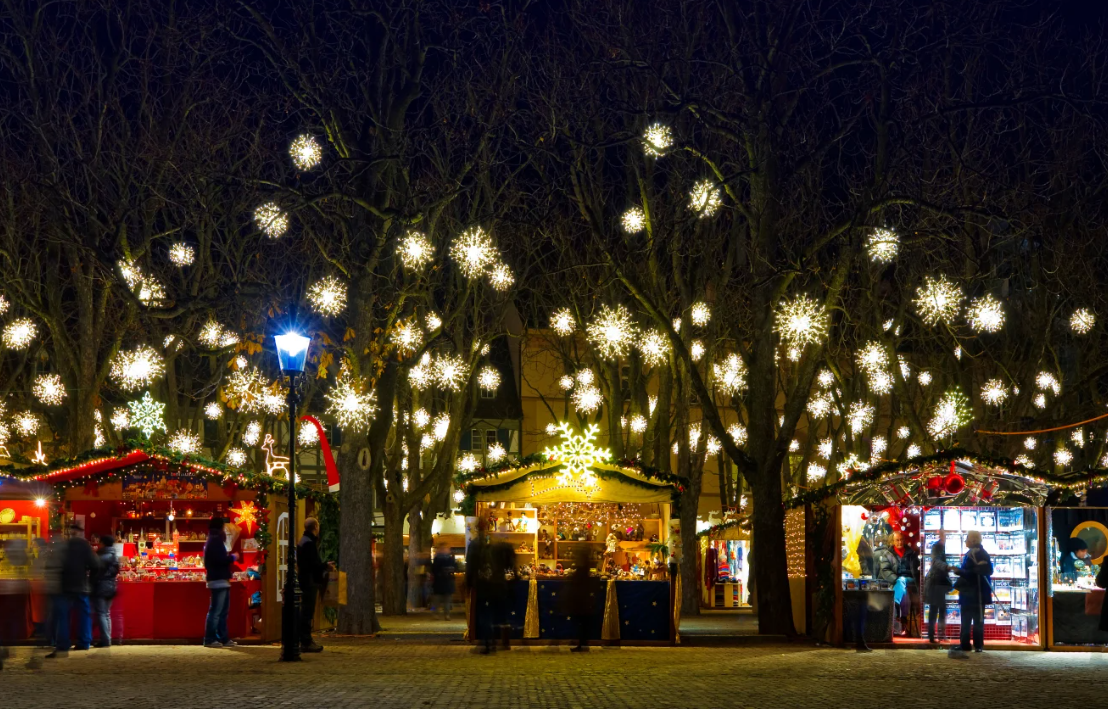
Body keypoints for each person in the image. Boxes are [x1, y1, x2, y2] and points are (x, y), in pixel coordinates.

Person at [47, 522, 99, 659]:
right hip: (81, 585)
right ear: (81, 532)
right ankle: (84, 642)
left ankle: (63, 645)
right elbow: (95, 564)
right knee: (84, 614)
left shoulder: (65, 545)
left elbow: (55, 564)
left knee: (63, 616)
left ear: (70, 532)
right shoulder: (84, 546)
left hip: (64, 585)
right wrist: (90, 577)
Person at [951, 530, 992, 657]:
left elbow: (977, 573)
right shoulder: (979, 553)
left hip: (973, 593)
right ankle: (974, 645)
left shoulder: (977, 554)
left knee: (970, 619)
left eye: (967, 538)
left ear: (973, 540)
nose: (965, 541)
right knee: (974, 619)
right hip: (976, 593)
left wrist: (960, 571)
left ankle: (970, 645)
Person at [297, 517, 333, 652]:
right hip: (309, 580)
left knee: (306, 610)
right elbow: (313, 564)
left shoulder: (303, 541)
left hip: (305, 579)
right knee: (307, 611)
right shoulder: (309, 543)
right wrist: (325, 566)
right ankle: (306, 641)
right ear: (316, 527)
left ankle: (304, 640)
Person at [203, 516, 239, 649]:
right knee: (217, 611)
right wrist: (233, 557)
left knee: (221, 611)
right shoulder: (216, 541)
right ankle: (210, 638)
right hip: (219, 580)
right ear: (220, 527)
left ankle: (222, 638)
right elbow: (220, 560)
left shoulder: (212, 540)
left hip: (219, 579)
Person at [564, 546, 600, 652]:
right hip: (584, 597)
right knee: (583, 621)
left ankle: (581, 643)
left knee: (581, 621)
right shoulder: (585, 566)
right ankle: (583, 642)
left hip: (581, 598)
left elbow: (578, 579)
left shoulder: (582, 567)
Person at [92, 535, 120, 648]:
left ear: (103, 543)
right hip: (111, 586)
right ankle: (107, 639)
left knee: (102, 614)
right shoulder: (114, 555)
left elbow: (95, 570)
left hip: (101, 586)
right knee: (106, 614)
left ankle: (105, 640)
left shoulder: (102, 556)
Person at [923, 541, 952, 644]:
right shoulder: (938, 547)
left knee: (937, 610)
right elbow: (936, 561)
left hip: (938, 584)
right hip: (936, 584)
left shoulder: (939, 548)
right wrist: (946, 567)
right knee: (936, 610)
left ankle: (937, 635)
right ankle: (935, 636)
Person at [431, 543, 457, 620]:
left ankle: (445, 614)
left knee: (445, 600)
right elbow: (434, 570)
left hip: (443, 582)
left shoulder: (440, 559)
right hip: (442, 582)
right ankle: (440, 614)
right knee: (439, 600)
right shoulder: (443, 559)